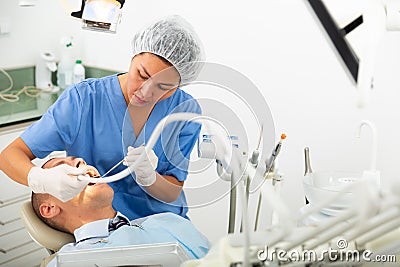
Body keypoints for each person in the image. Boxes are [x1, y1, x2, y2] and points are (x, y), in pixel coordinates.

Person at [0, 15, 204, 220]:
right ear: (133, 57)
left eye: (164, 87)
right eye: (142, 75)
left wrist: (149, 178)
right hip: (100, 227)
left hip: (163, 224)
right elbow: (10, 156)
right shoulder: (83, 101)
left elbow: (172, 192)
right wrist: (42, 179)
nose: (146, 92)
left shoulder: (185, 111)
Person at [32, 156, 210, 267]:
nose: (81, 163)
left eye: (81, 162)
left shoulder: (170, 222)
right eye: (63, 168)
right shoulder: (67, 261)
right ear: (49, 209)